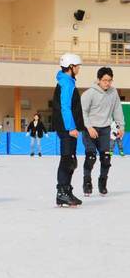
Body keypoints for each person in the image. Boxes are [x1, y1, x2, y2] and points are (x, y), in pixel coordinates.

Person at [80, 67, 124, 196]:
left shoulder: (113, 92)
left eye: (110, 80)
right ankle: (87, 182)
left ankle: (102, 182)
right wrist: (89, 127)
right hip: (90, 129)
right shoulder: (89, 93)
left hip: (105, 129)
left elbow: (117, 109)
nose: (107, 83)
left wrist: (121, 126)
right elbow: (82, 112)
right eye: (105, 80)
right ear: (98, 80)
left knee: (106, 157)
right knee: (91, 157)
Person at [52, 53, 85, 207]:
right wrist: (71, 128)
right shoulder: (66, 83)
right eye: (77, 66)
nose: (79, 69)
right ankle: (62, 193)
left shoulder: (67, 81)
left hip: (67, 127)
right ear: (71, 67)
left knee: (70, 160)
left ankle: (67, 191)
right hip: (67, 128)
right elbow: (65, 107)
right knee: (67, 160)